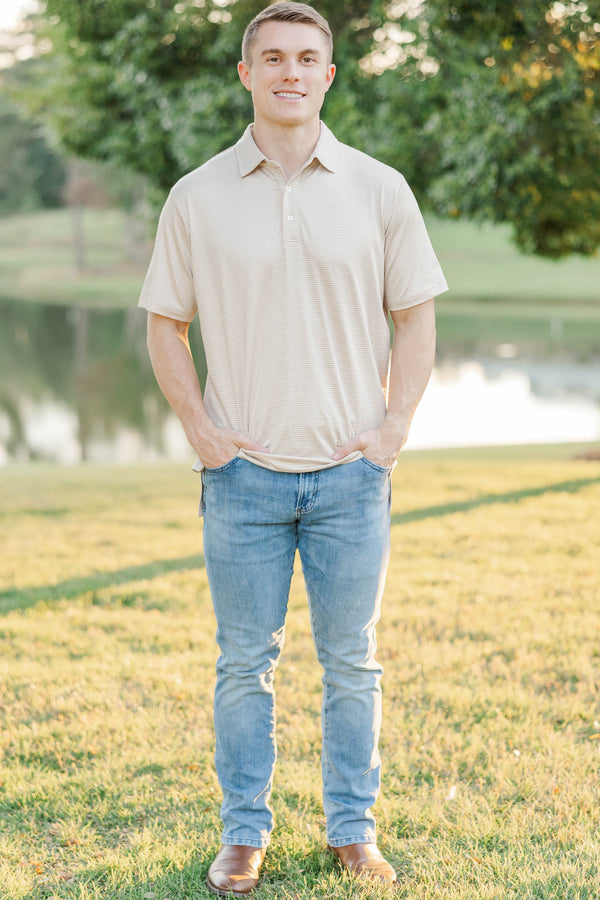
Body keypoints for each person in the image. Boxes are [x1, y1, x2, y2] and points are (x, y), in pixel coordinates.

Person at [139, 2, 447, 893]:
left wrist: (393, 431)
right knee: (244, 665)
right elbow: (166, 325)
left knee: (352, 662)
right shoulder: (197, 195)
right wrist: (201, 429)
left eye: (307, 58)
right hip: (241, 479)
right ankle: (244, 835)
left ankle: (354, 831)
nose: (289, 72)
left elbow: (416, 317)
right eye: (271, 57)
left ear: (328, 75)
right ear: (246, 74)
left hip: (353, 474)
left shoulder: (379, 188)